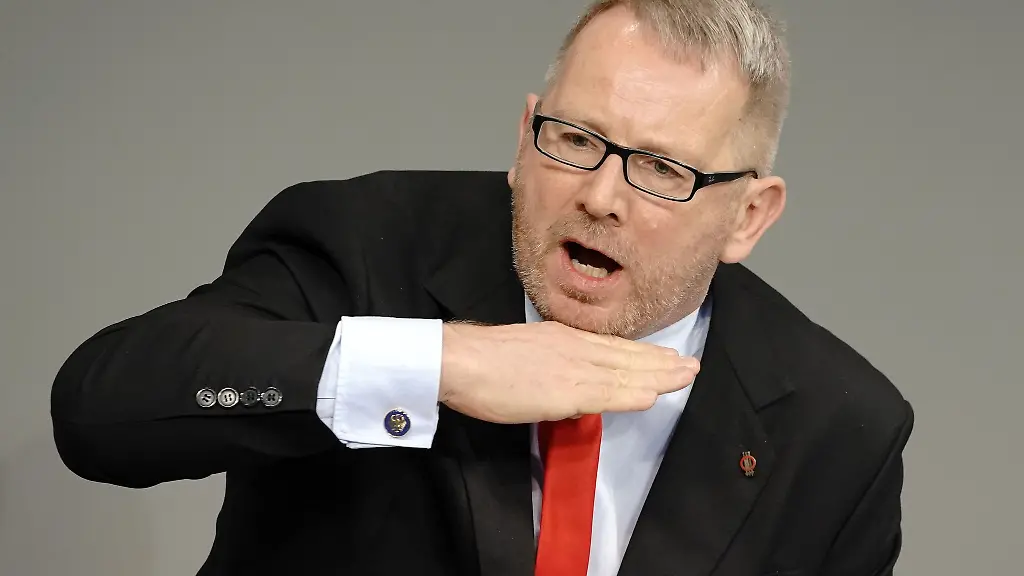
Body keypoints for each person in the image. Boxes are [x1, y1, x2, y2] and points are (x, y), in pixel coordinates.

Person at [50, 1, 914, 575]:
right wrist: (437, 364)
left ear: (749, 217)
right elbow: (103, 410)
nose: (600, 196)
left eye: (661, 170)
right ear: (524, 134)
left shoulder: (839, 428)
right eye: (575, 139)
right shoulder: (364, 241)